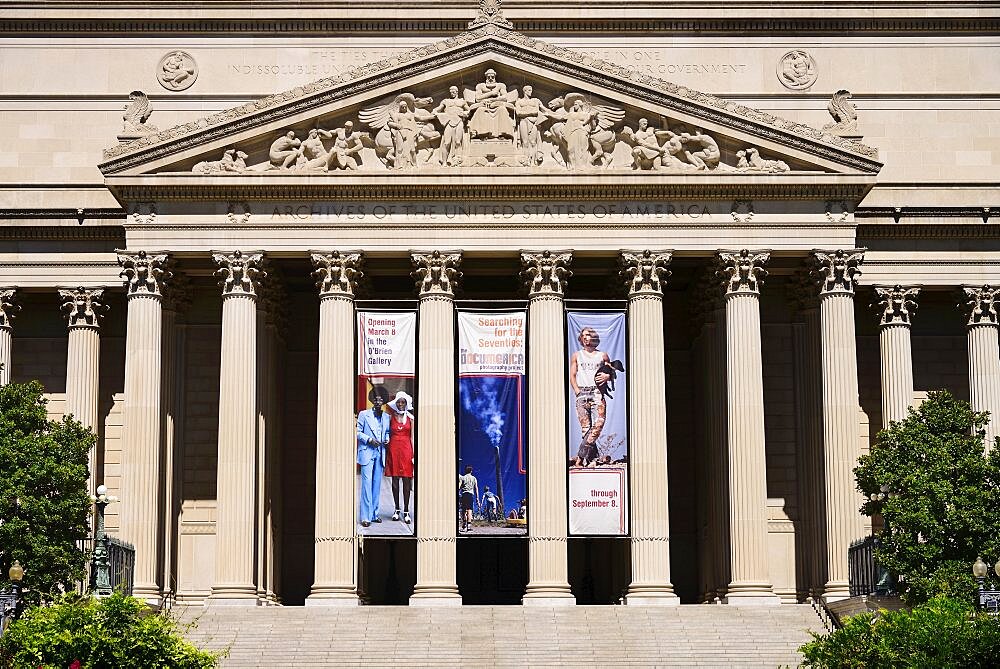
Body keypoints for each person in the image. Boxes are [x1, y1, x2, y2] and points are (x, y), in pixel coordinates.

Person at [569, 326, 611, 466]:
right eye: (583, 335)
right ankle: (591, 459)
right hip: (582, 393)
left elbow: (611, 372)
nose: (586, 337)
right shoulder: (576, 355)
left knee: (598, 424)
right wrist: (577, 391)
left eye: (588, 335)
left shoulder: (602, 355)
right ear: (581, 339)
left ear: (594, 337)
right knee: (586, 429)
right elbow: (572, 375)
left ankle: (581, 456)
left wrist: (607, 375)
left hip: (597, 392)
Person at [356, 385, 391, 527]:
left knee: (376, 485)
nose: (378, 402)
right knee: (366, 484)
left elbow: (387, 432)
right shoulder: (364, 414)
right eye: (375, 399)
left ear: (383, 401)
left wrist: (387, 438)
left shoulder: (387, 417)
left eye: (380, 400)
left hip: (380, 452)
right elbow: (357, 432)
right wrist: (369, 439)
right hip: (367, 452)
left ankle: (374, 514)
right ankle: (365, 517)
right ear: (372, 400)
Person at [385, 390, 415, 524]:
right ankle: (397, 509)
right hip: (393, 450)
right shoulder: (390, 417)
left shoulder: (411, 418)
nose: (401, 404)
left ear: (406, 403)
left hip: (407, 450)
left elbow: (413, 437)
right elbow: (386, 433)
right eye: (399, 402)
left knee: (407, 481)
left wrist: (414, 455)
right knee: (395, 482)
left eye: (403, 402)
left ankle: (406, 511)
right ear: (396, 403)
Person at [458, 465, 478, 532]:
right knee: (469, 510)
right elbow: (476, 488)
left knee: (463, 510)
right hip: (470, 495)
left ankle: (464, 524)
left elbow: (459, 486)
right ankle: (469, 527)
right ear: (471, 471)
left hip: (464, 494)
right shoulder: (474, 478)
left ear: (465, 471)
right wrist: (477, 498)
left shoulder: (463, 477)